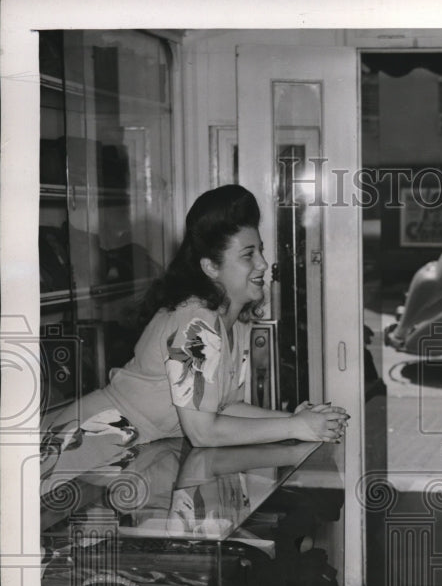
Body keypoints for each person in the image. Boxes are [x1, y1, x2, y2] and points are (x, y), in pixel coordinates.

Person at [44, 185, 348, 461]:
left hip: (128, 450)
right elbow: (203, 433)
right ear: (211, 267)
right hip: (81, 446)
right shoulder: (197, 321)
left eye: (261, 251)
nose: (262, 264)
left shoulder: (233, 320)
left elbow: (224, 408)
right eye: (248, 255)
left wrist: (294, 421)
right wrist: (296, 426)